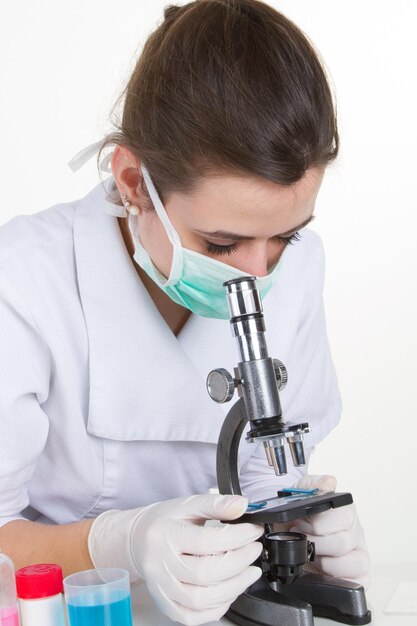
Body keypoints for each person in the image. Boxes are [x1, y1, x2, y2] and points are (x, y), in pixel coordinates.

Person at [0, 1, 369, 624]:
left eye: (287, 236)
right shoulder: (24, 282)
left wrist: (306, 537)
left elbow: (268, 482)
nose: (259, 273)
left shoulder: (296, 268)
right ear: (133, 182)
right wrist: (118, 542)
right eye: (221, 244)